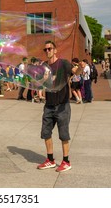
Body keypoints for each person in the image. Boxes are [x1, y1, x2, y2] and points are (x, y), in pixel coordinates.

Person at [37, 40, 74, 172]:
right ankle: (50, 160)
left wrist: (78, 68)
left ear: (55, 50)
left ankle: (66, 161)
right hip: (49, 105)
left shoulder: (63, 63)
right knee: (45, 133)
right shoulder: (44, 66)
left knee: (63, 134)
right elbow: (40, 83)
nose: (47, 51)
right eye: (45, 49)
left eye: (50, 49)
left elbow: (75, 71)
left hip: (62, 105)